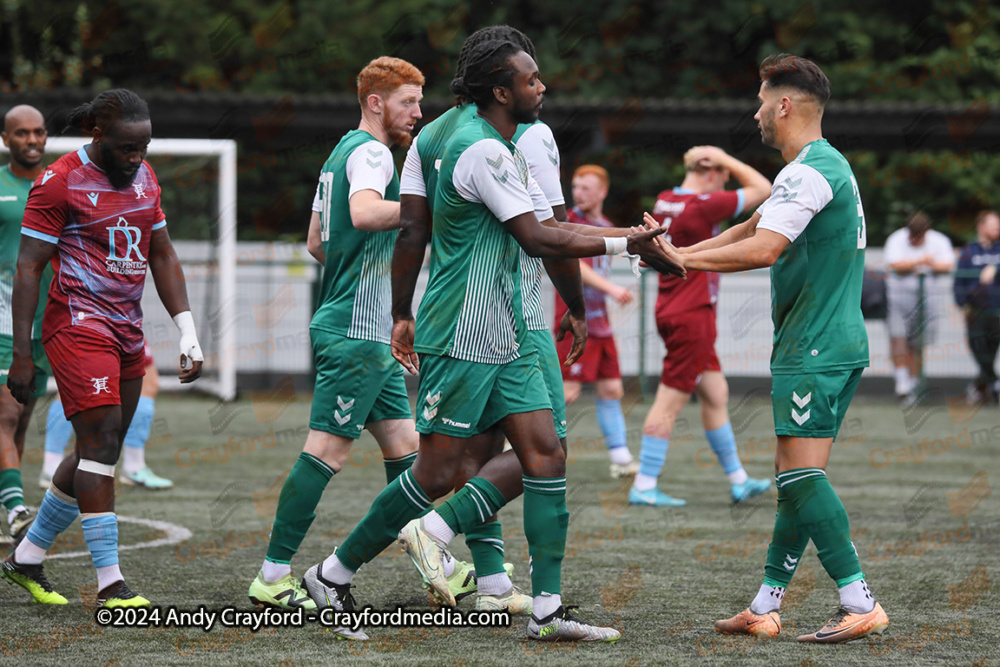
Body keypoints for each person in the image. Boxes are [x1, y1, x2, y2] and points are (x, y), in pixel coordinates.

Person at [303, 37, 680, 642]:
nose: (542, 88)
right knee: (439, 470)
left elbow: (416, 231)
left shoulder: (438, 137)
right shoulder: (483, 149)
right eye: (532, 80)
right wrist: (627, 243)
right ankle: (333, 572)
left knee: (547, 454)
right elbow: (539, 236)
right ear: (502, 91)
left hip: (507, 332)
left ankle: (548, 611)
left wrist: (402, 311)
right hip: (464, 333)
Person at [661, 54, 889, 643]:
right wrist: (679, 251)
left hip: (814, 346)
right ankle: (765, 606)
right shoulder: (820, 166)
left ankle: (858, 599)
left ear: (784, 105)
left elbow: (763, 249)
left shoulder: (810, 170)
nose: (756, 111)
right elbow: (745, 230)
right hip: (823, 343)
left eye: (762, 100)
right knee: (795, 476)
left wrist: (681, 260)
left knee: (800, 478)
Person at [3, 89, 203, 609]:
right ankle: (111, 582)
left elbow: (161, 253)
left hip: (127, 330)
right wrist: (22, 352)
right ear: (98, 136)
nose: (136, 158)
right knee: (102, 440)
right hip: (76, 325)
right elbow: (27, 268)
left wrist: (188, 331)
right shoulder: (59, 181)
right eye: (126, 148)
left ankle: (25, 558)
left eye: (144, 148)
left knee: (100, 449)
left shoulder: (146, 177)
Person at [246, 57, 426, 614]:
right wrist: (432, 212)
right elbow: (367, 214)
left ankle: (433, 557)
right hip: (355, 332)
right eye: (408, 102)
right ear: (376, 102)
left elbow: (317, 241)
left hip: (361, 330)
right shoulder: (372, 153)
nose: (418, 113)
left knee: (408, 449)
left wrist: (360, 269)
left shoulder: (340, 151)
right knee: (326, 451)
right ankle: (273, 577)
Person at [631, 145, 772, 507]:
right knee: (669, 401)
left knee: (715, 393)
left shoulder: (666, 199)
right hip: (692, 312)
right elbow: (764, 189)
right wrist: (726, 158)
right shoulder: (705, 204)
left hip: (673, 306)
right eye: (722, 174)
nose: (725, 180)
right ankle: (644, 483)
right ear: (710, 171)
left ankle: (738, 479)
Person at [553, 165, 640, 478]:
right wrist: (613, 288)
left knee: (611, 389)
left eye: (586, 187)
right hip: (573, 321)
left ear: (603, 191)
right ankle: (520, 447)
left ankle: (620, 459)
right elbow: (573, 265)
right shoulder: (568, 223)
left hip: (600, 325)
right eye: (575, 187)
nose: (579, 193)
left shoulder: (605, 225)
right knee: (566, 391)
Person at [0, 105, 51, 545]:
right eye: (21, 133)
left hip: (46, 326)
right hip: (2, 320)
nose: (31, 140)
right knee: (6, 413)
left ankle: (8, 494)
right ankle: (17, 510)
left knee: (22, 420)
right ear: (5, 139)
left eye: (37, 132)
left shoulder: (59, 185)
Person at [40, 342, 170, 489]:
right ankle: (52, 466)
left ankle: (134, 466)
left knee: (148, 382)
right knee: (76, 384)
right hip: (91, 323)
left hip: (125, 322)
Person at [883, 211, 954, 401]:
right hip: (897, 297)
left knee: (917, 343)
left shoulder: (939, 240)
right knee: (897, 338)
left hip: (927, 298)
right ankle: (902, 382)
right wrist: (924, 261)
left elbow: (946, 266)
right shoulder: (896, 239)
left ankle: (913, 385)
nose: (914, 240)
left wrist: (912, 265)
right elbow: (895, 265)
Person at [953, 210, 1000, 404]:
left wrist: (996, 268)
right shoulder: (969, 250)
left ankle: (983, 387)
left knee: (991, 350)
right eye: (993, 224)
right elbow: (958, 281)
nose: (997, 228)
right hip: (976, 311)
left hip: (997, 311)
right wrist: (962, 304)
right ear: (981, 226)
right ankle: (993, 384)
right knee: (978, 348)